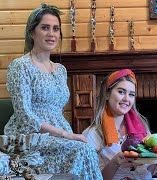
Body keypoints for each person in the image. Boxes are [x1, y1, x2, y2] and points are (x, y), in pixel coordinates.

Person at [4, 3, 102, 179]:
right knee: (82, 149)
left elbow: (56, 109)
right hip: (28, 136)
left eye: (56, 29)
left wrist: (66, 135)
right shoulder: (20, 67)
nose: (51, 34)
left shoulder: (60, 70)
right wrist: (66, 134)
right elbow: (25, 116)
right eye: (45, 28)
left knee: (86, 147)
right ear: (32, 32)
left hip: (57, 134)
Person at [83, 69, 157, 180]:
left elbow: (147, 172)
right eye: (121, 92)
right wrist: (116, 161)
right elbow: (93, 178)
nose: (126, 99)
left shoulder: (142, 129)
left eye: (131, 94)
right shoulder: (92, 134)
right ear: (107, 94)